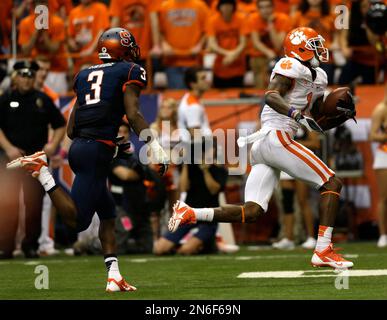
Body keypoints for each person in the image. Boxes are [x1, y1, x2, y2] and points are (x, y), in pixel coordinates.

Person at [169, 27, 356, 269]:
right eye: (313, 45)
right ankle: (323, 250)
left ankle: (190, 213)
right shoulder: (290, 65)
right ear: (299, 49)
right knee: (332, 183)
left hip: (265, 144)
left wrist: (336, 114)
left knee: (253, 211)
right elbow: (271, 95)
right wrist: (296, 115)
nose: (320, 49)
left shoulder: (319, 76)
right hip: (276, 137)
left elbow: (317, 114)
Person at [7, 28, 169, 291]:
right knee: (79, 221)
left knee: (107, 213)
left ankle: (114, 275)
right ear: (121, 49)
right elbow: (133, 112)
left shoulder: (84, 74)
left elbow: (71, 129)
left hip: (85, 147)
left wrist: (112, 144)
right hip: (94, 151)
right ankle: (42, 171)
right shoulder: (128, 71)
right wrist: (154, 144)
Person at [0, 60, 66, 258]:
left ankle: (31, 245)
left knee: (34, 204)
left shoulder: (43, 100)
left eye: (30, 76)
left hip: (35, 161)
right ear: (15, 77)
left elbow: (60, 125)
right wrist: (9, 148)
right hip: (10, 160)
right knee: (6, 204)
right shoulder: (5, 99)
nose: (26, 80)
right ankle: (6, 247)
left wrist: (53, 145)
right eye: (22, 75)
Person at [154, 139, 227, 255]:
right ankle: (201, 245)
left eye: (211, 149)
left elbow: (213, 190)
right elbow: (183, 188)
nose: (209, 153)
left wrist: (206, 171)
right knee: (159, 249)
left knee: (186, 250)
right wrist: (186, 163)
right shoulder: (192, 167)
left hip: (209, 217)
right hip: (190, 215)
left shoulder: (219, 169)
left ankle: (207, 244)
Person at [273, 128, 320, 250]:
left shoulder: (306, 120)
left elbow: (315, 143)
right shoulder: (283, 121)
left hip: (301, 163)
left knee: (303, 201)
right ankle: (288, 238)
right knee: (287, 202)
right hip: (285, 164)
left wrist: (291, 144)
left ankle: (311, 237)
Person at [18, 0, 68, 94]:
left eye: (44, 3)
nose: (41, 6)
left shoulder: (58, 22)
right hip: (34, 69)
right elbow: (25, 50)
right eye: (38, 4)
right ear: (34, 7)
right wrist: (36, 32)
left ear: (48, 6)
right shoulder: (25, 23)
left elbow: (54, 49)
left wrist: (44, 32)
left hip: (56, 68)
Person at [158, 0, 209, 89]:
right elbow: (158, 30)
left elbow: (207, 30)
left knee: (195, 97)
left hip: (194, 61)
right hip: (172, 62)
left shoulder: (200, 6)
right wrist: (164, 44)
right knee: (177, 97)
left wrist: (200, 45)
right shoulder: (164, 7)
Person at [248, 0, 292, 88]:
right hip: (260, 56)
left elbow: (278, 45)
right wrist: (268, 52)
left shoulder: (283, 19)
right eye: (262, 7)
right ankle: (260, 92)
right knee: (257, 61)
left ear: (273, 8)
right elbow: (256, 42)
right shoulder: (253, 19)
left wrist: (270, 24)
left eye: (268, 6)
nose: (265, 10)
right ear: (258, 9)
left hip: (280, 56)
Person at [206, 0, 249, 88]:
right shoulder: (212, 21)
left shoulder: (241, 19)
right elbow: (212, 44)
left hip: (238, 66)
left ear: (233, 7)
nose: (226, 8)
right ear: (219, 7)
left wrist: (233, 55)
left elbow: (243, 42)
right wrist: (229, 54)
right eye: (224, 5)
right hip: (220, 65)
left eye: (229, 5)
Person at [68, 0, 110, 75]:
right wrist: (72, 45)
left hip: (97, 59)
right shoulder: (73, 12)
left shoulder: (100, 8)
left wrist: (90, 50)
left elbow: (102, 31)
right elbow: (70, 36)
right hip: (80, 59)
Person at [370, 87, 387, 248]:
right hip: (384, 155)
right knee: (384, 197)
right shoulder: (381, 109)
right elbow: (373, 135)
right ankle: (383, 235)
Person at [178, 67, 212, 142]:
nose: (207, 81)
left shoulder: (191, 99)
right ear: (193, 84)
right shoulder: (193, 106)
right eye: (203, 78)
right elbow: (196, 136)